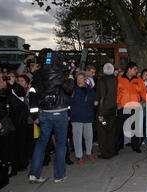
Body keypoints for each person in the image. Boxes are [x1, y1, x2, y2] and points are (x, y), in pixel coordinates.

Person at [28, 49, 74, 184]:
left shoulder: (36, 74)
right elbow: (69, 89)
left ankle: (34, 174)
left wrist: (35, 114)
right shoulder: (57, 72)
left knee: (41, 143)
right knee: (60, 144)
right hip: (59, 112)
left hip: (44, 113)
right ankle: (59, 176)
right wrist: (70, 77)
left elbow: (32, 94)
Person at [116, 62, 147, 153]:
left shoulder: (138, 80)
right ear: (129, 69)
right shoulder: (119, 79)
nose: (137, 71)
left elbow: (144, 92)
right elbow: (116, 93)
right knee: (119, 127)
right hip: (123, 107)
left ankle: (135, 146)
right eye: (135, 69)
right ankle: (118, 146)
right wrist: (117, 103)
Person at [69, 71, 98, 164]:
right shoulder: (72, 89)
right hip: (76, 116)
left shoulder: (90, 89)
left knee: (89, 136)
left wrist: (95, 103)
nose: (79, 80)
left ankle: (89, 153)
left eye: (81, 78)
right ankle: (79, 155)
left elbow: (95, 99)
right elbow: (68, 102)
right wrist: (69, 114)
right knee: (77, 137)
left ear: (85, 80)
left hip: (88, 116)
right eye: (77, 78)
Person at [96, 63, 118, 159]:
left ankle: (105, 153)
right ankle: (111, 151)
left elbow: (102, 98)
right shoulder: (116, 80)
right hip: (113, 110)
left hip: (104, 112)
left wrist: (100, 113)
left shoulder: (102, 81)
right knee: (111, 131)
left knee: (103, 132)